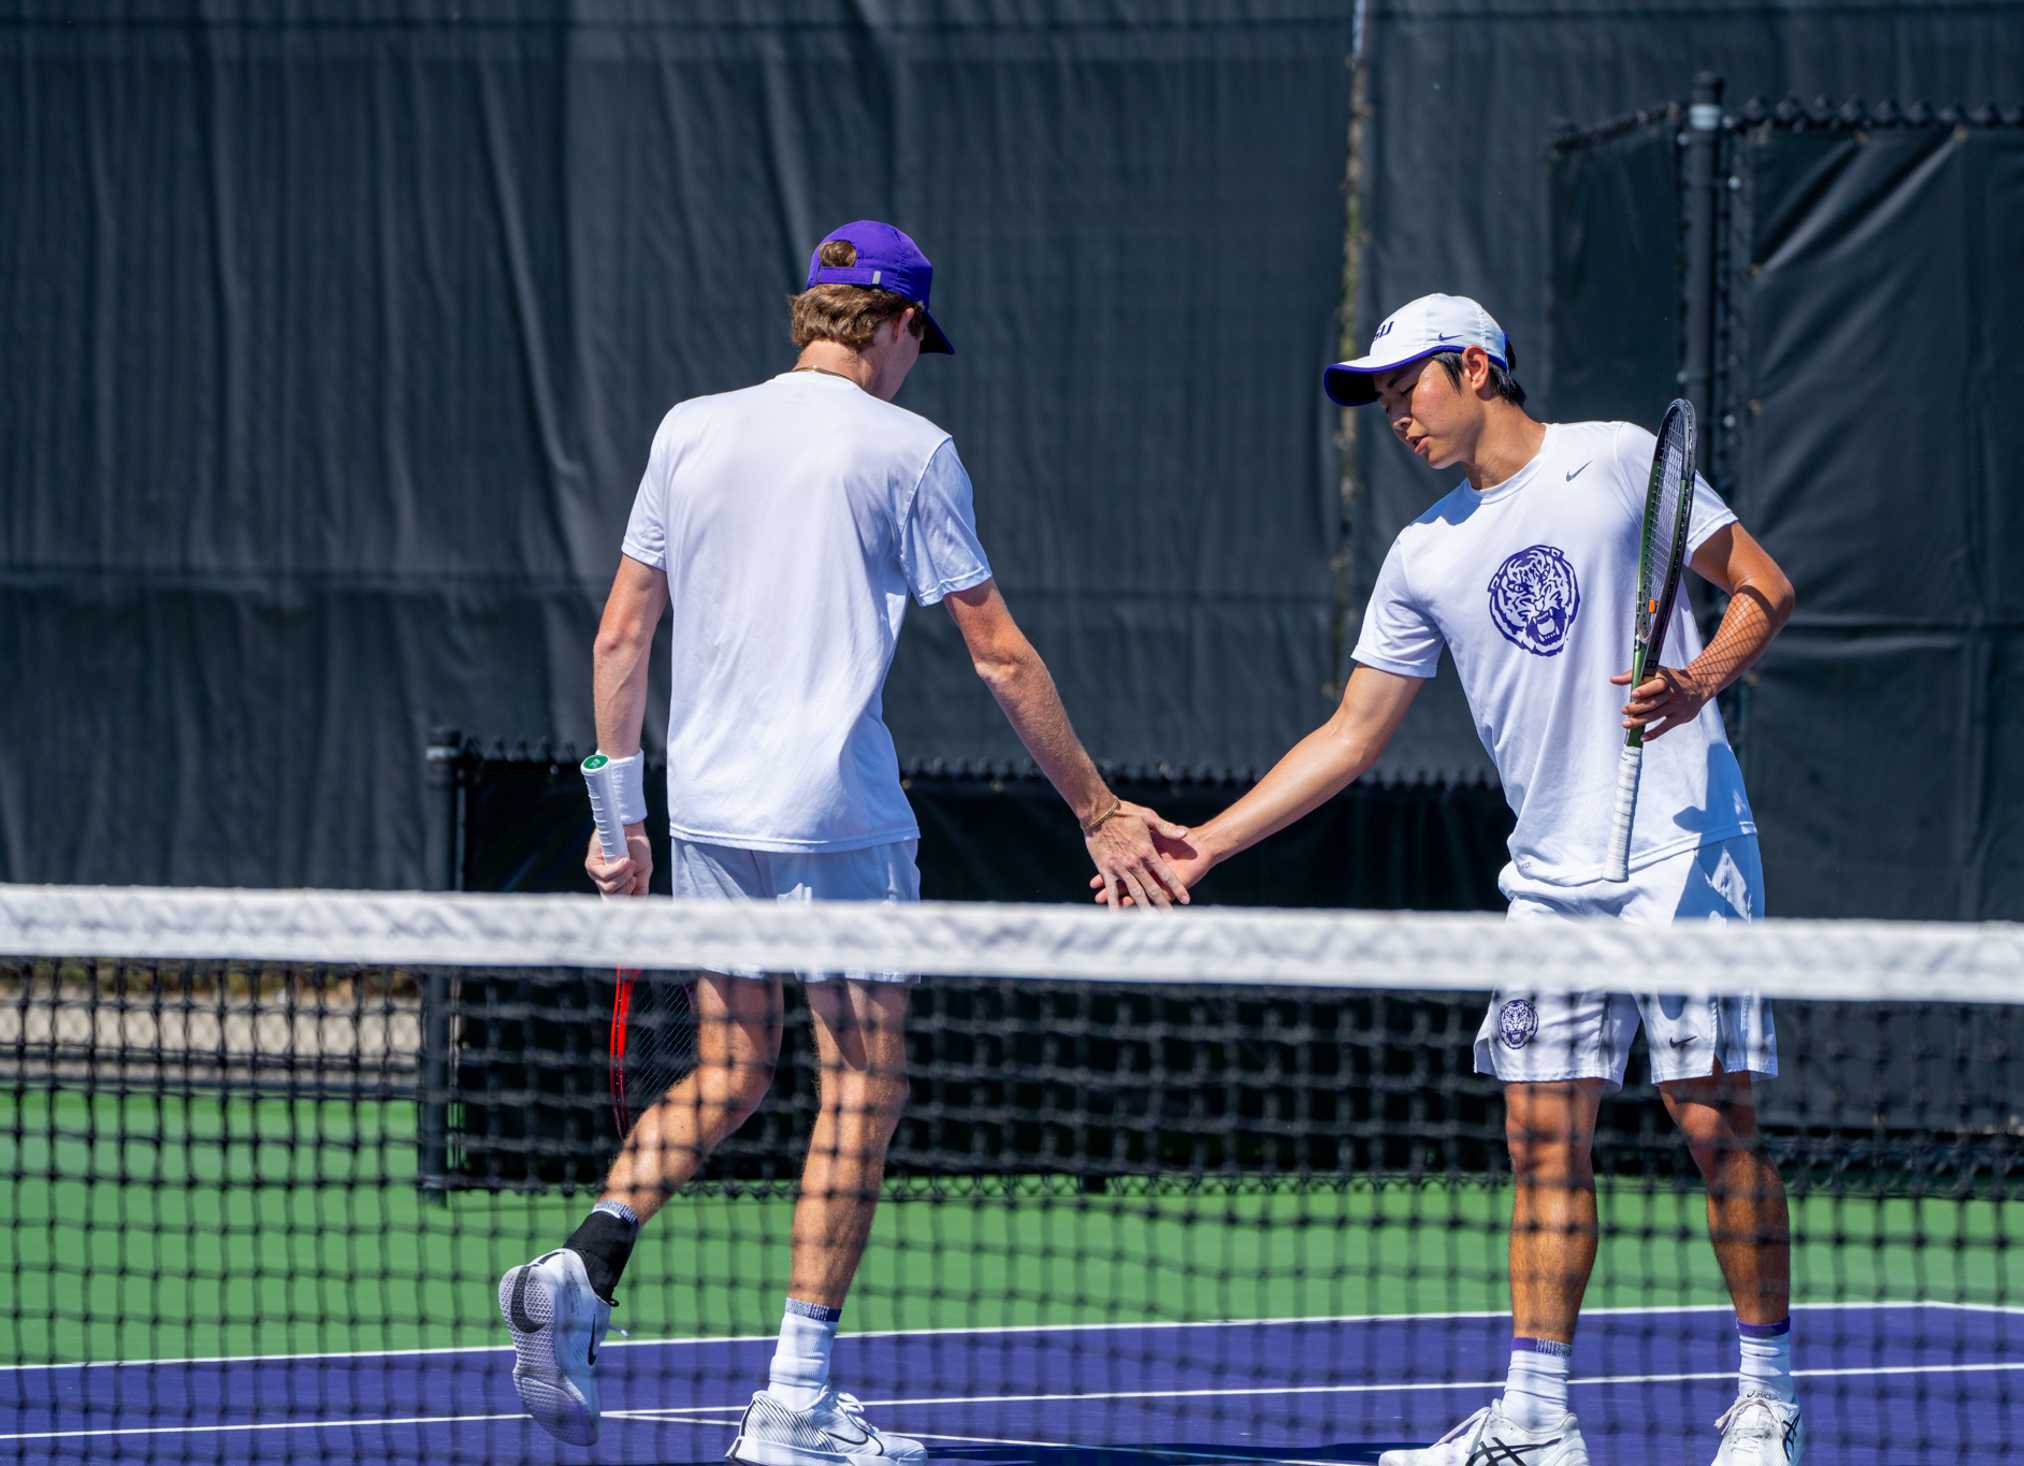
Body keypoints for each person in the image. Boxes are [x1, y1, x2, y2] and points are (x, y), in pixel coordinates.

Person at [499, 220, 1190, 1461]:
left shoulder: (688, 426)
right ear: (902, 325)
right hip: (836, 819)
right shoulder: (910, 448)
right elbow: (997, 651)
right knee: (862, 1082)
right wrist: (1098, 808)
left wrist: (622, 831)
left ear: (815, 309)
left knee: (731, 1067)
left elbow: (618, 636)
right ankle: (797, 1397)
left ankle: (585, 1262)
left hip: (708, 812)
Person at [1097, 294, 1802, 1465]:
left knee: (1711, 1120)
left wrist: (1697, 679)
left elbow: (1762, 587)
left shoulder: (1619, 459)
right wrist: (1206, 842)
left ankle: (1766, 1397)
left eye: (1403, 386)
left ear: (1474, 366)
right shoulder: (1422, 553)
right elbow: (1349, 735)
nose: (1393, 414)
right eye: (1378, 398)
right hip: (1549, 881)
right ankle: (1535, 1422)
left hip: (1687, 847)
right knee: (1539, 1139)